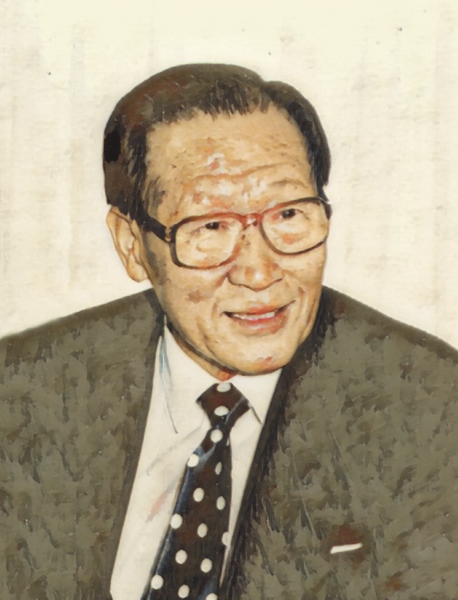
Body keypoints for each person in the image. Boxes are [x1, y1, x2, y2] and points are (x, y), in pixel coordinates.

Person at [1, 64, 457, 600]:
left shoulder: (433, 410)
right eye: (211, 226)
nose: (259, 273)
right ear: (131, 246)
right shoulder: (21, 393)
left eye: (289, 215)